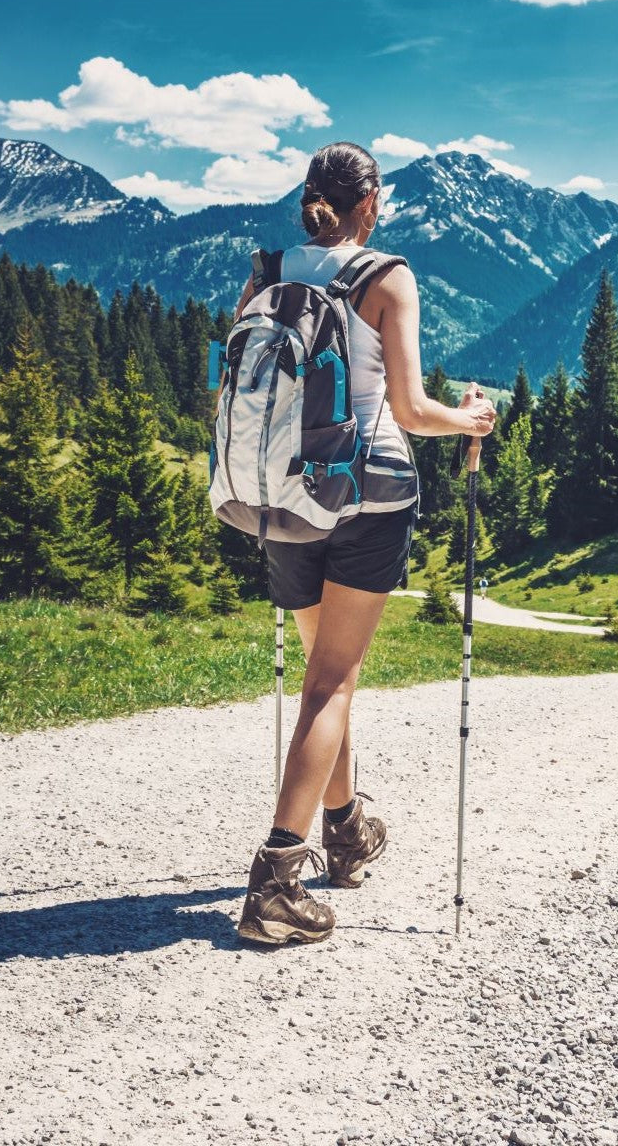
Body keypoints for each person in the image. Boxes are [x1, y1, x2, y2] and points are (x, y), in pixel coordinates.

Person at [232, 140, 495, 947]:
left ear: (308, 199)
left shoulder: (269, 267)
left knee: (322, 678)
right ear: (370, 205)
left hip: (280, 492)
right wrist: (471, 420)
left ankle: (344, 831)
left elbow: (232, 386)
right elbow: (411, 410)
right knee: (333, 685)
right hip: (367, 493)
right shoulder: (387, 275)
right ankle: (276, 882)